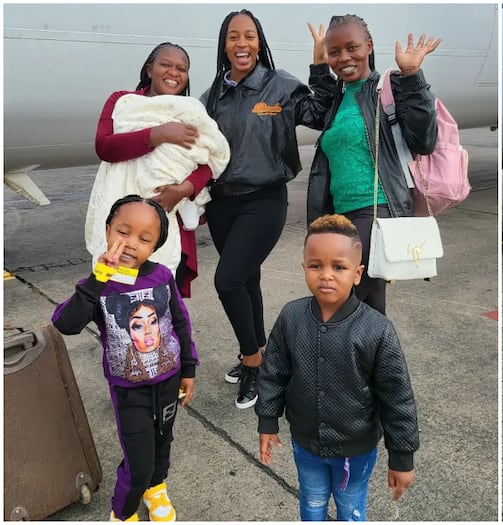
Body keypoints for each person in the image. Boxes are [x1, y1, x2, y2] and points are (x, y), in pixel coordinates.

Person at [201, 10, 338, 409]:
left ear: (259, 42)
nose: (241, 44)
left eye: (249, 36)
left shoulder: (280, 86)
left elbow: (320, 115)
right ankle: (258, 351)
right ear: (224, 45)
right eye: (233, 37)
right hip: (224, 203)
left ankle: (254, 363)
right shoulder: (213, 95)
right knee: (245, 282)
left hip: (264, 200)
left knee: (227, 281)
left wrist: (319, 67)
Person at [257, 214, 419, 521]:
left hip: (355, 451)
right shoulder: (291, 317)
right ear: (304, 268)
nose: (326, 275)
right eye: (316, 265)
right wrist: (267, 420)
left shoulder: (376, 329)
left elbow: (397, 396)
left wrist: (402, 456)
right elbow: (273, 372)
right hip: (305, 443)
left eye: (339, 267)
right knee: (312, 502)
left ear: (357, 274)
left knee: (350, 507)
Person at [53, 195, 198, 522]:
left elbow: (180, 323)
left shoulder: (161, 276)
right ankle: (124, 510)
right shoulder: (98, 286)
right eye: (123, 232)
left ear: (155, 246)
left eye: (144, 238)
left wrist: (188, 367)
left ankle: (156, 488)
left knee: (163, 443)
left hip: (169, 381)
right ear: (107, 231)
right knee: (139, 459)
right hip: (130, 392)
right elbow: (65, 324)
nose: (131, 243)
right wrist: (95, 281)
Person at [305, 14, 441, 315]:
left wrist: (414, 77)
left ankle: (339, 361)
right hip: (341, 212)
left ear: (369, 46)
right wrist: (318, 67)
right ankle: (382, 361)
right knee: (370, 307)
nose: (344, 58)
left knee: (335, 300)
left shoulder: (389, 87)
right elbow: (312, 112)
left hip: (377, 209)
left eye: (352, 47)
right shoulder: (337, 99)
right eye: (334, 51)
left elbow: (424, 141)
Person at [88, 42, 229, 299]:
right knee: (117, 290)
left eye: (181, 68)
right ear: (149, 69)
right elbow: (104, 147)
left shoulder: (191, 110)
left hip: (166, 212)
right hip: (121, 211)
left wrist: (184, 189)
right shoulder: (123, 101)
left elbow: (209, 158)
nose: (173, 72)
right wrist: (158, 134)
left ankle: (160, 338)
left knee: (159, 293)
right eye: (165, 64)